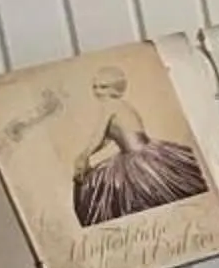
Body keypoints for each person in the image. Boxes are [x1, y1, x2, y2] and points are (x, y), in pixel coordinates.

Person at [70, 66, 208, 226]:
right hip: (144, 152)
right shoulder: (121, 105)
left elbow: (98, 135)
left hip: (138, 157)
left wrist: (84, 154)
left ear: (116, 88)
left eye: (103, 87)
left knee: (134, 193)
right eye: (95, 87)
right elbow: (107, 139)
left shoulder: (110, 105)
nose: (97, 91)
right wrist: (87, 154)